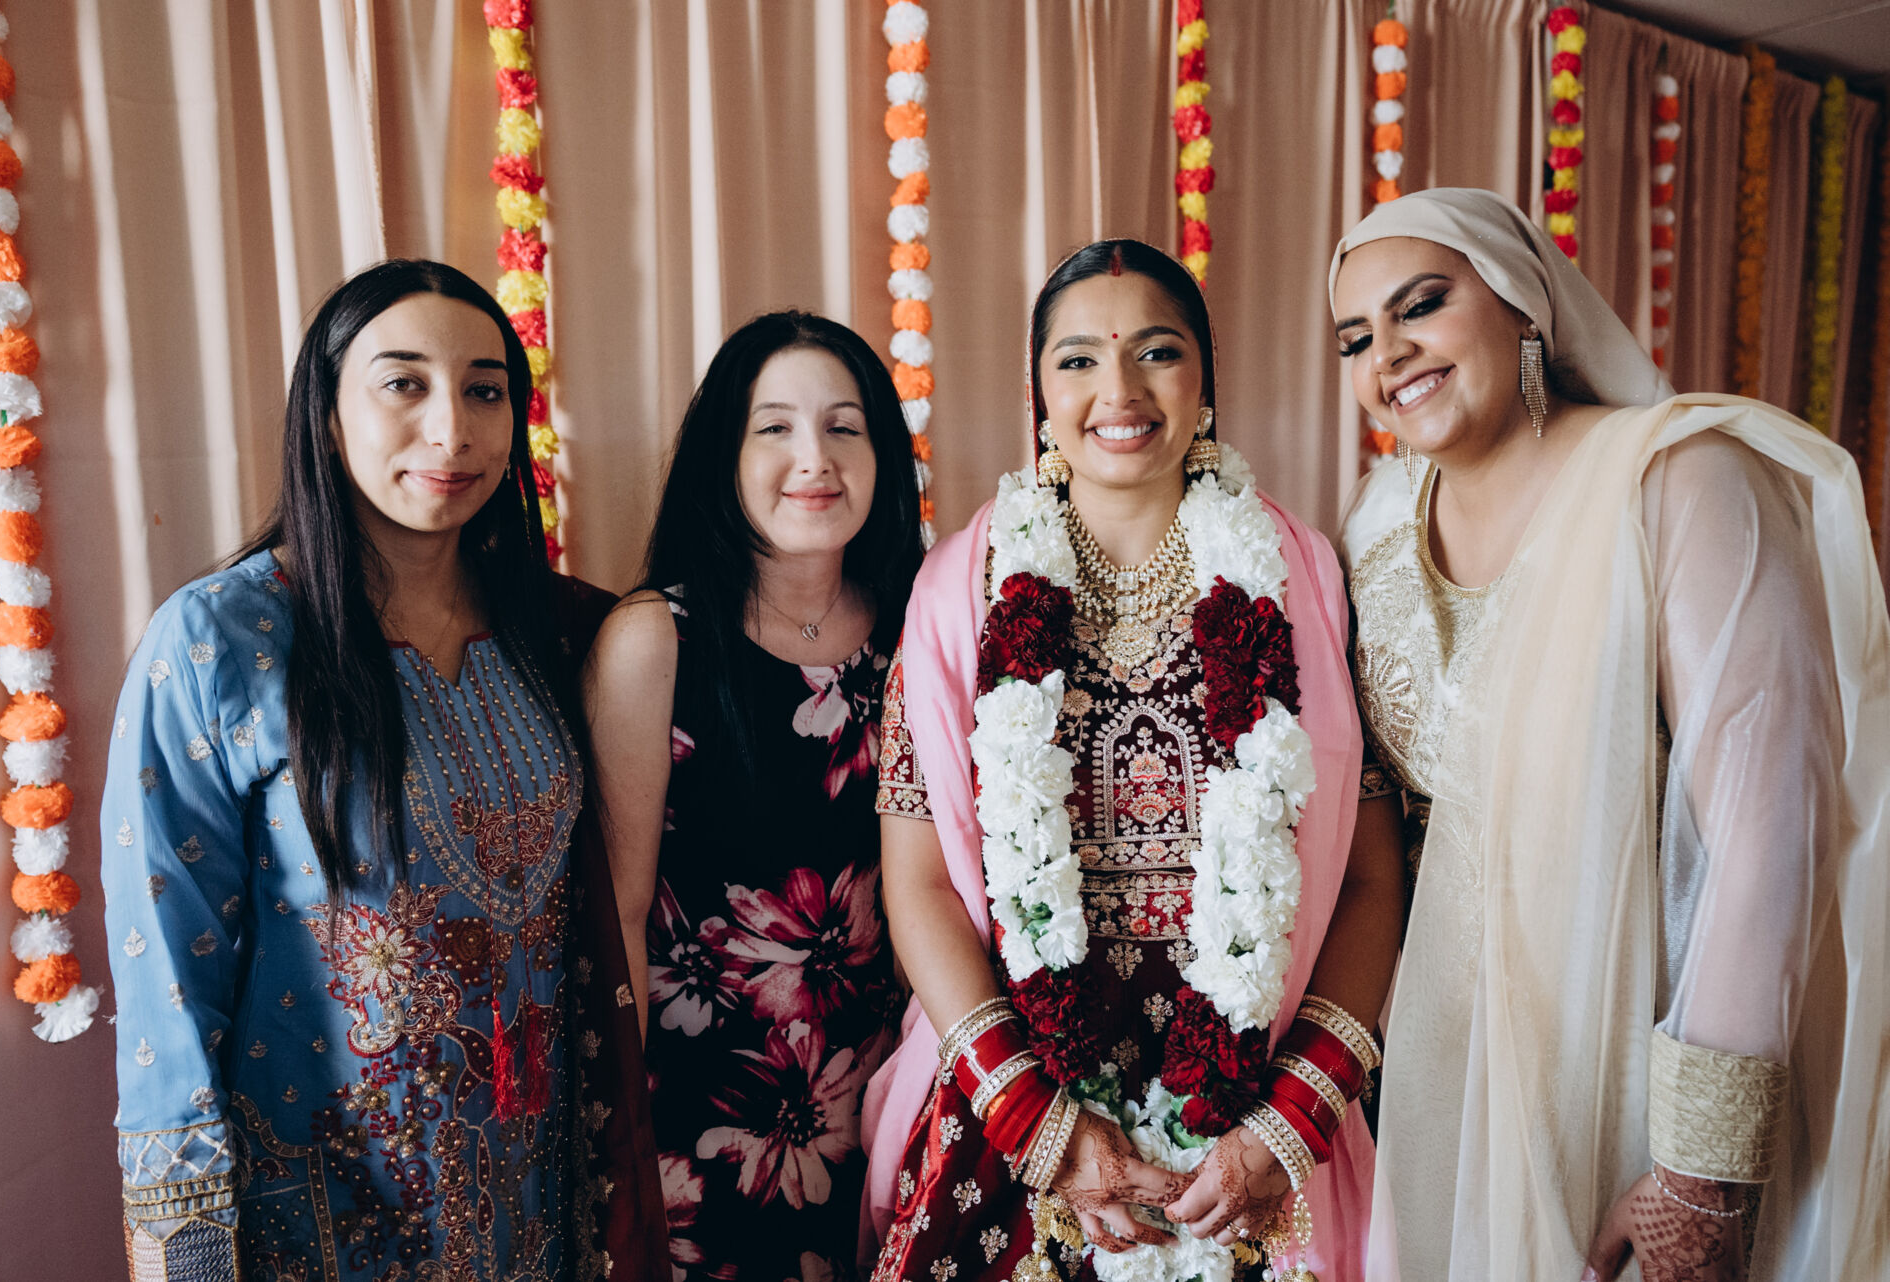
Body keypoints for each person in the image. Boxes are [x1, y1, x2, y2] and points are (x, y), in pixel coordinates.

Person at [1330, 187, 1890, 1281]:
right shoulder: (1374, 520)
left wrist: (1701, 1167)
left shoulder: (1675, 479)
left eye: (1421, 305)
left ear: (1524, 304)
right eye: (1356, 337)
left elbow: (1774, 824)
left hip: (1643, 1056)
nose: (1388, 354)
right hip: (1436, 1079)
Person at [101, 259, 667, 1281]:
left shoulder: (558, 632)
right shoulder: (223, 640)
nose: (452, 430)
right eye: (404, 383)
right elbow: (166, 979)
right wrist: (187, 1252)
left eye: (485, 391)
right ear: (326, 418)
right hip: (321, 1208)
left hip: (533, 1197)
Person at [861, 238, 1405, 1281]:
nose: (1118, 390)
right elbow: (918, 878)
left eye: (1157, 351)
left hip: (1256, 1119)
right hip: (1021, 1112)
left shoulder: (1303, 580)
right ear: (1039, 392)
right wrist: (1033, 1119)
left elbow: (1373, 877)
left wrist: (1291, 1119)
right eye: (1078, 360)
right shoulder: (958, 590)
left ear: (1205, 381)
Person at [589, 310, 923, 1281]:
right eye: (774, 427)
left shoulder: (920, 627)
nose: (814, 457)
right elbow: (619, 915)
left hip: (888, 1095)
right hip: (707, 1122)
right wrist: (622, 1149)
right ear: (724, 456)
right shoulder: (657, 642)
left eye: (844, 426)